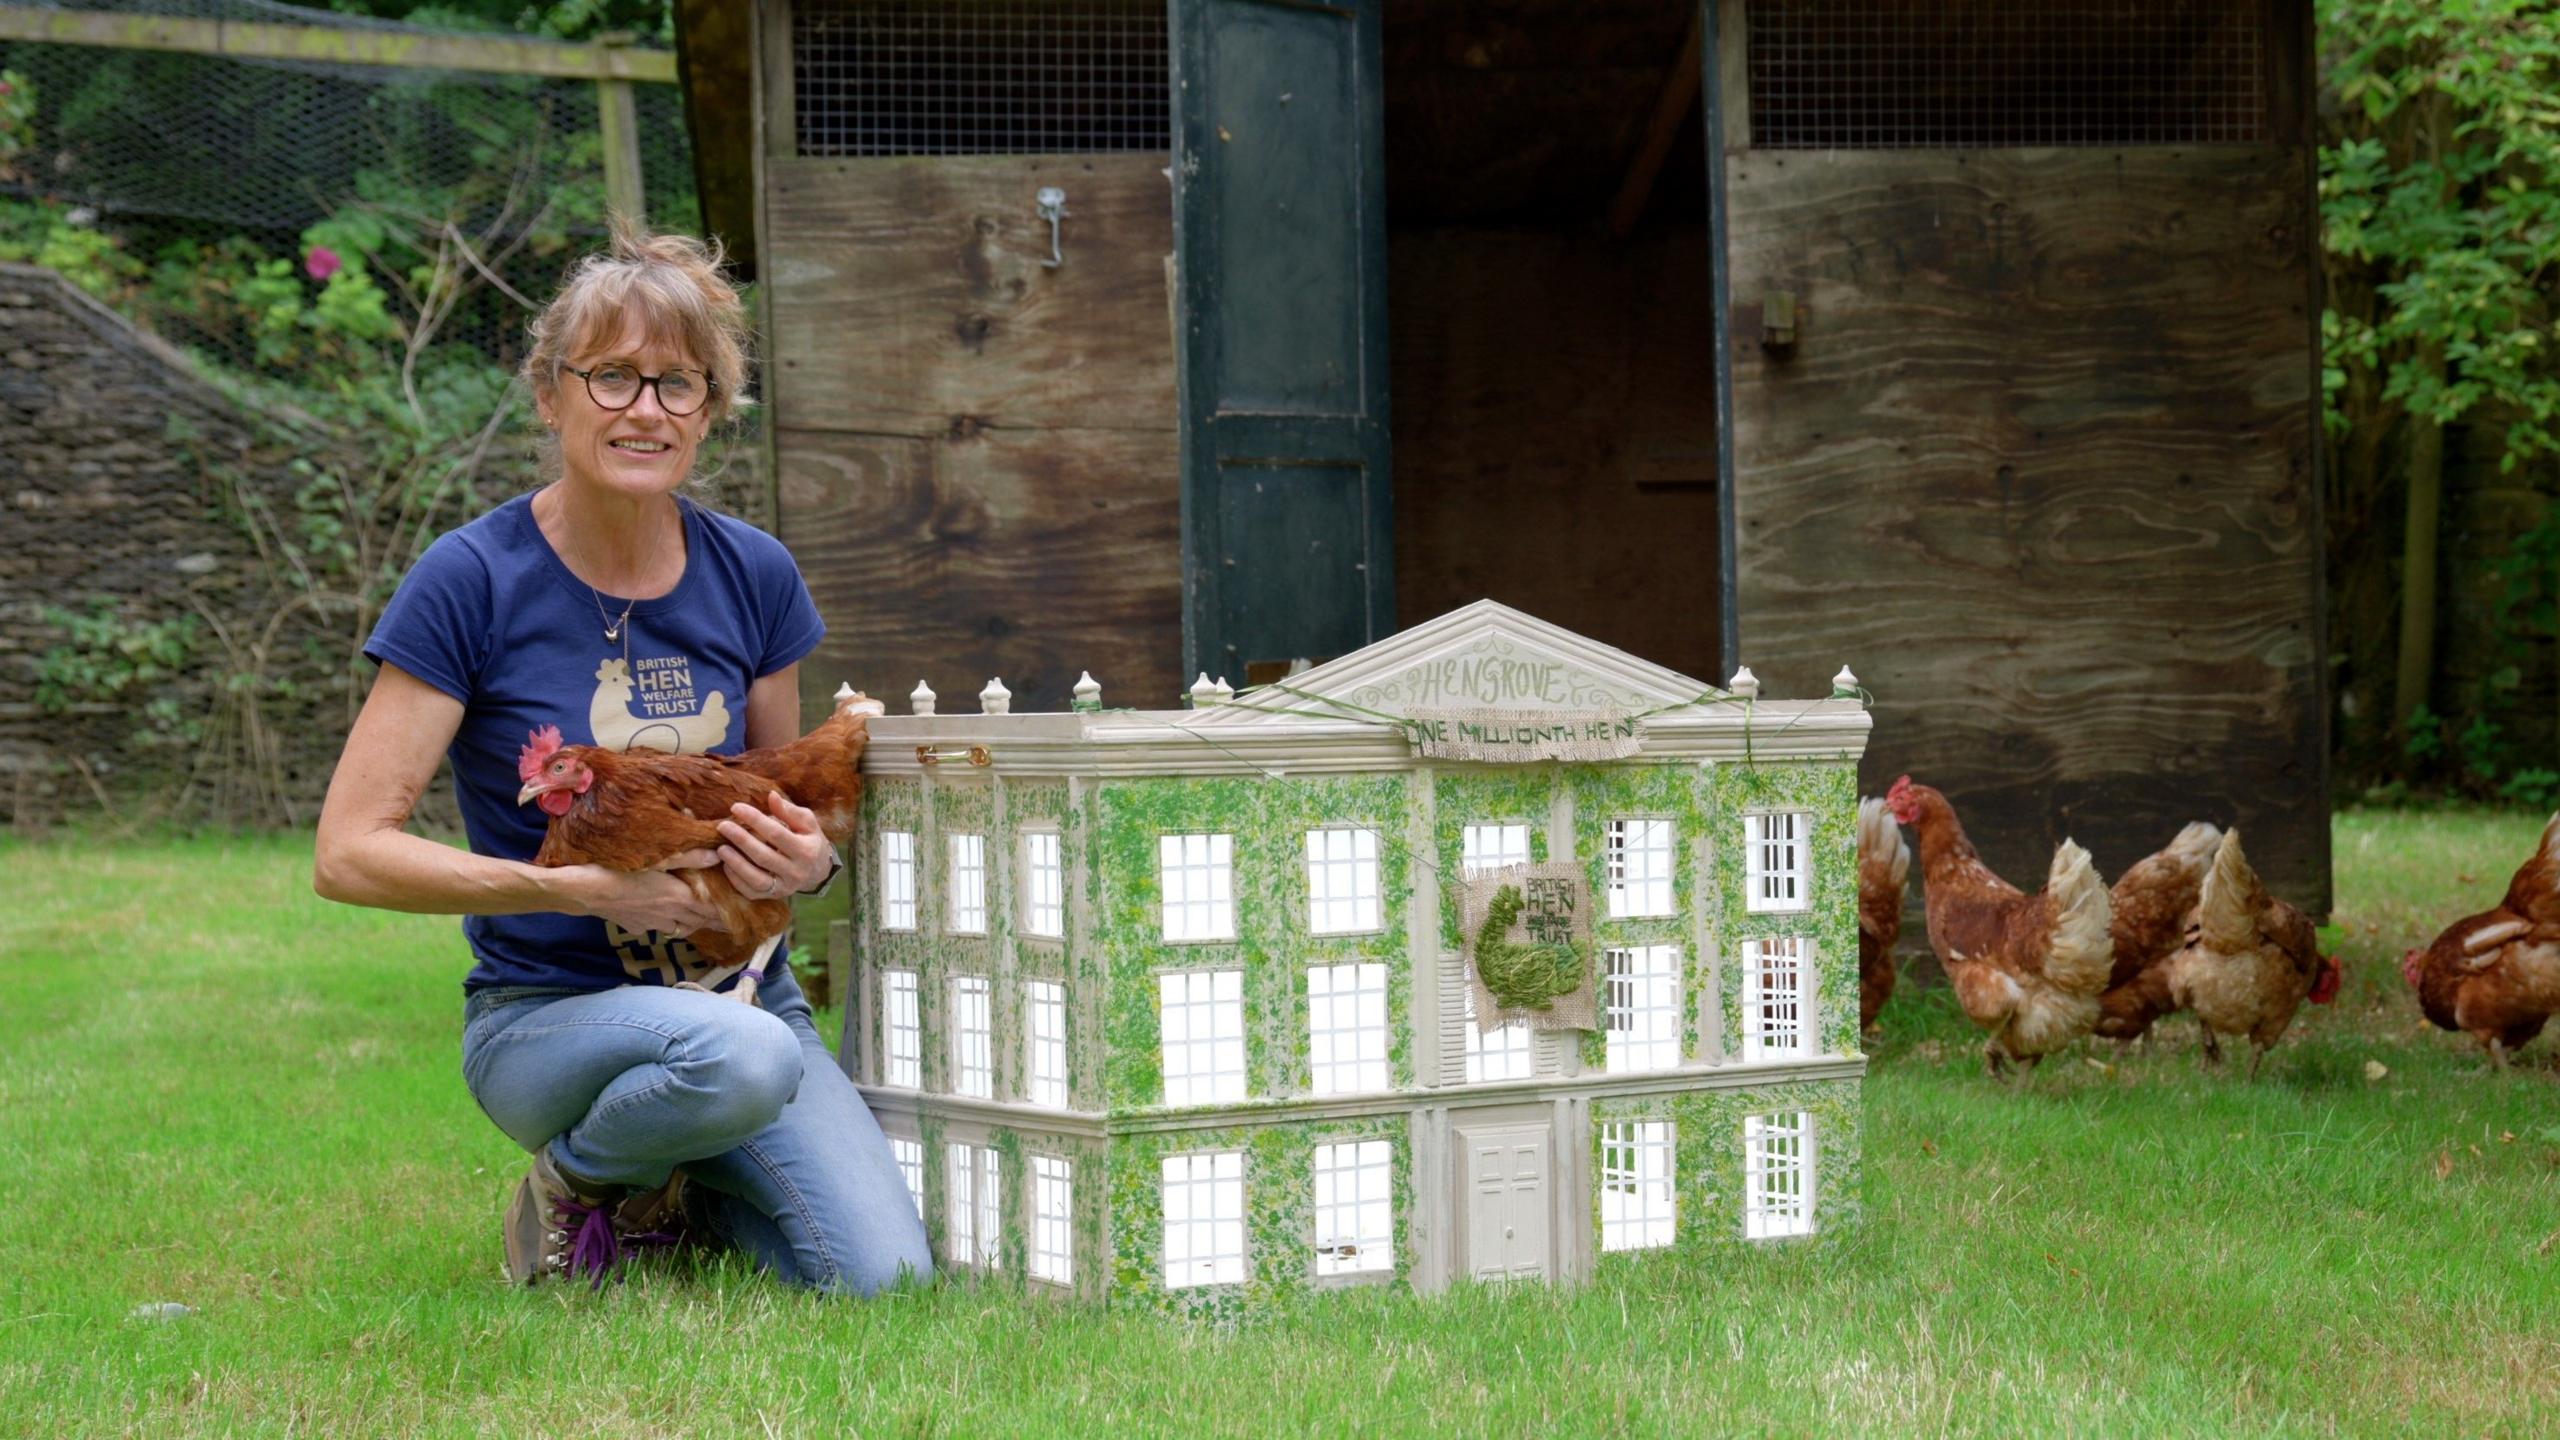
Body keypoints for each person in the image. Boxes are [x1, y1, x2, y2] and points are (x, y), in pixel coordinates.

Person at [312, 223, 930, 1295]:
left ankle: (680, 1185)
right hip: (547, 1015)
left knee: (881, 1281)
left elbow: (781, 791)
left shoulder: (753, 575)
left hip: (741, 999)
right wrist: (578, 888)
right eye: (611, 377)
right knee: (745, 1064)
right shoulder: (471, 580)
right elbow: (349, 854)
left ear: (708, 412)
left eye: (677, 384)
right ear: (551, 396)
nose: (645, 409)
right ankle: (581, 1175)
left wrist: (808, 867)